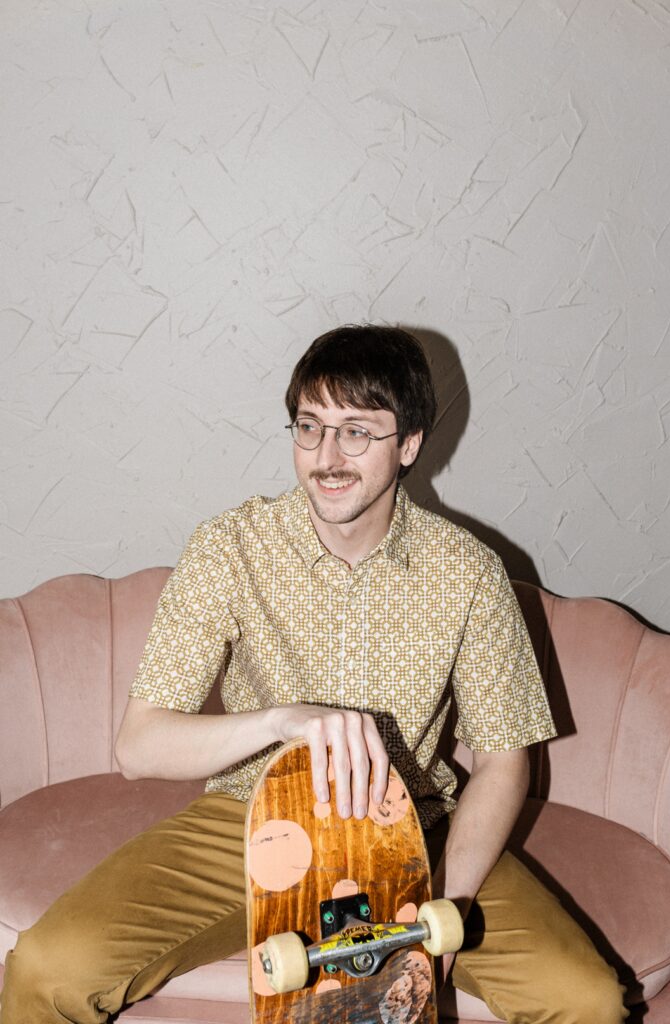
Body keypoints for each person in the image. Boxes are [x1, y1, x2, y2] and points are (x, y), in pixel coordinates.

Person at [0, 325, 626, 1023]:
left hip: (416, 833)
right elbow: (139, 747)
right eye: (310, 427)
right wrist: (281, 720)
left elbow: (504, 760)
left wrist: (442, 899)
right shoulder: (230, 547)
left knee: (588, 1002)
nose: (326, 457)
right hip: (249, 819)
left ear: (409, 444)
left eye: (357, 431)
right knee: (47, 971)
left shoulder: (468, 573)